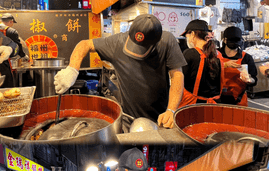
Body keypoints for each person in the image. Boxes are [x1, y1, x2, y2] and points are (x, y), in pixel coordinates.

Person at [54, 14, 187, 130]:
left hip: (160, 118)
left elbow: (177, 75)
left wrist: (171, 110)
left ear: (155, 44)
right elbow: (84, 44)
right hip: (128, 118)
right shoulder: (116, 43)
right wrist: (72, 70)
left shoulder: (167, 41)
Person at [179, 19, 224, 107]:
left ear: (192, 34)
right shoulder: (218, 54)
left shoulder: (189, 53)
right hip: (214, 104)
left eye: (186, 36)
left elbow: (180, 80)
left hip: (193, 105)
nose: (187, 39)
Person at [0, 13, 29, 88]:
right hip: (4, 63)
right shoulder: (12, 31)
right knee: (6, 86)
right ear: (10, 21)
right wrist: (24, 56)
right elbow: (18, 46)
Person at [218, 26, 257, 106]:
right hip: (216, 100)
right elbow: (206, 71)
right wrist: (223, 65)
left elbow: (254, 79)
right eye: (232, 40)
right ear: (225, 40)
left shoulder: (246, 58)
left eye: (237, 40)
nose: (235, 43)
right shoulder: (215, 54)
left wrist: (249, 80)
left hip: (239, 100)